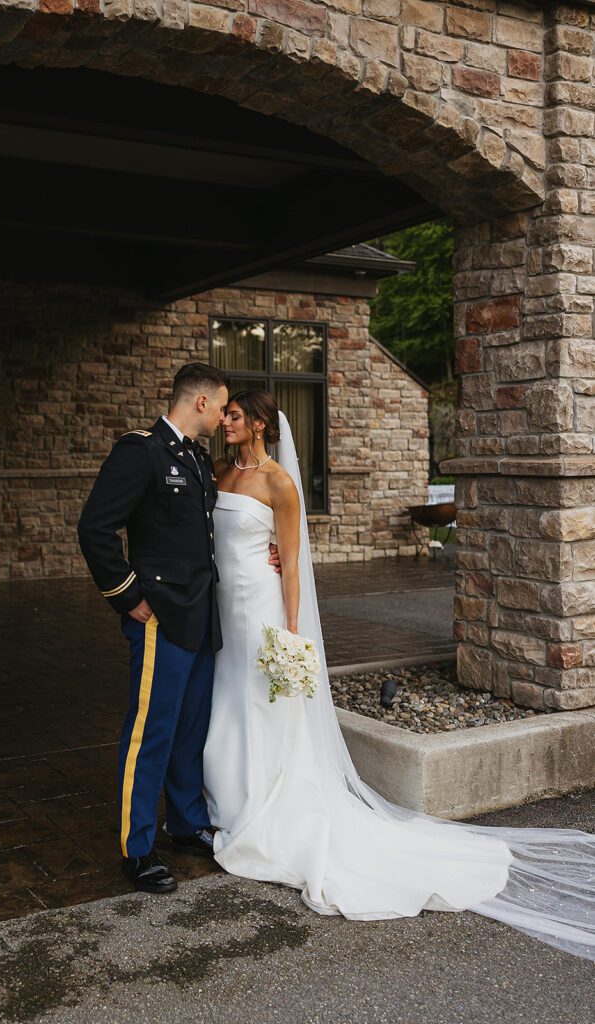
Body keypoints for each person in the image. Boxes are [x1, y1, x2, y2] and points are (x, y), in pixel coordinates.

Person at [204, 389, 595, 962]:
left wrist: (291, 633)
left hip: (262, 607)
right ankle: (227, 795)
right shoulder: (217, 471)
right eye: (225, 416)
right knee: (228, 698)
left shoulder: (278, 485)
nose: (226, 423)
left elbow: (291, 565)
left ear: (259, 424)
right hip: (223, 607)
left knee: (264, 703)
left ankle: (263, 803)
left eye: (235, 416)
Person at [78, 364, 280, 894]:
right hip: (161, 617)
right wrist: (128, 597)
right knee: (151, 733)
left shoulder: (194, 457)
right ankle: (136, 847)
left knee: (190, 728)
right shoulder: (140, 452)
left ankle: (186, 823)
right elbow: (95, 527)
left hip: (202, 616)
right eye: (221, 406)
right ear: (199, 404)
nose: (224, 414)